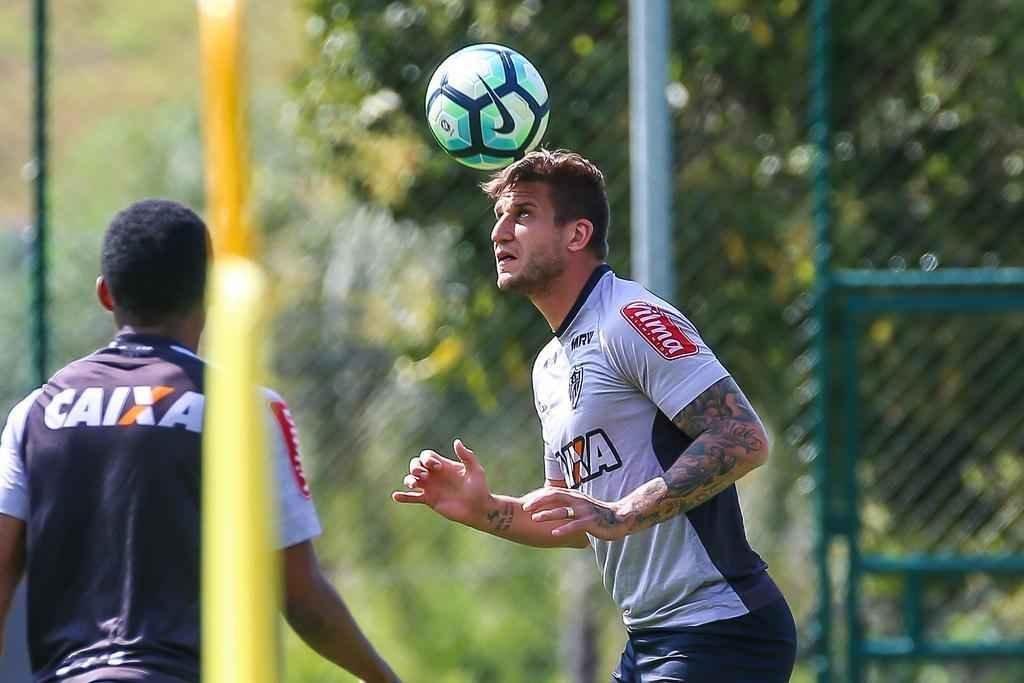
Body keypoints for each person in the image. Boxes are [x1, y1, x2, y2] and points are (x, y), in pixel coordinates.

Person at [393, 150, 796, 682]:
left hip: (724, 629)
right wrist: (485, 510)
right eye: (500, 216)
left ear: (577, 234)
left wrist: (624, 512)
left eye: (524, 214)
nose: (500, 232)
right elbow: (575, 519)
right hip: (650, 641)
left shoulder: (629, 318)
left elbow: (742, 436)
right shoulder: (549, 367)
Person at [0, 199, 399, 683]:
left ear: (106, 294)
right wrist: (383, 677)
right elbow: (301, 597)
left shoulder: (35, 413)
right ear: (208, 294)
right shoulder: (244, 410)